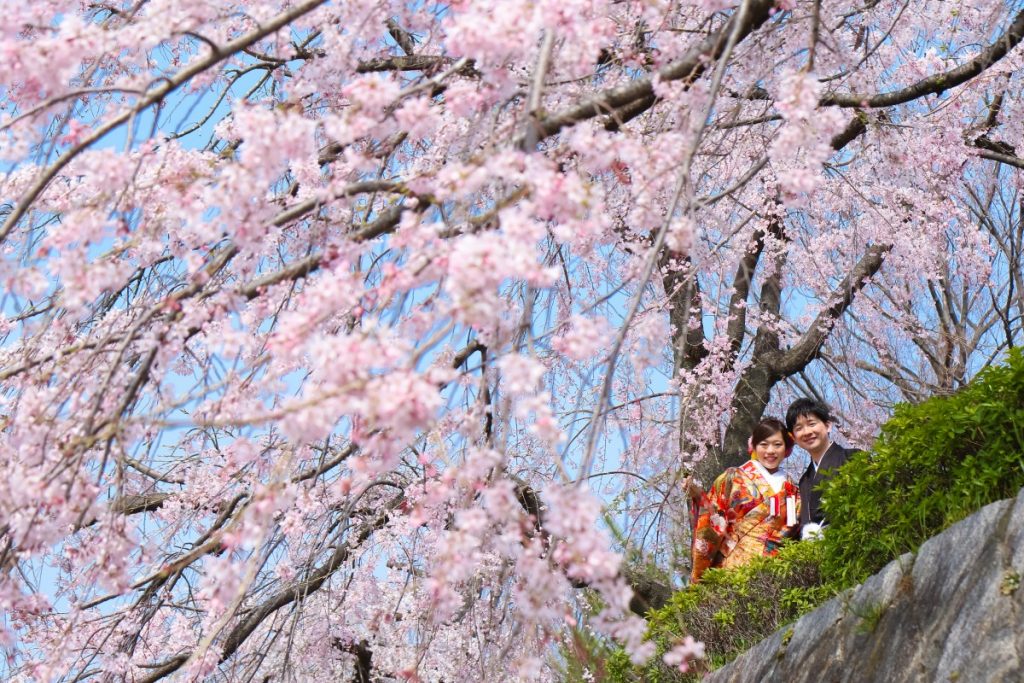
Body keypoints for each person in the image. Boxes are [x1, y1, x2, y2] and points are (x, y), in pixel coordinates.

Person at [690, 418, 800, 584]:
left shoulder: (793, 491)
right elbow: (712, 521)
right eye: (764, 445)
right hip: (732, 568)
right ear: (754, 447)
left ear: (787, 449)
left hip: (775, 573)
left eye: (777, 445)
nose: (771, 451)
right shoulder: (734, 477)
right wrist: (699, 574)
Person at [785, 398, 858, 539]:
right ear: (794, 437)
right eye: (799, 428)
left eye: (811, 424)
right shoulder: (804, 481)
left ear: (828, 425)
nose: (806, 432)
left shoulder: (853, 458)